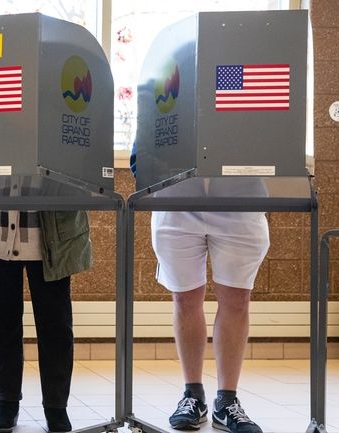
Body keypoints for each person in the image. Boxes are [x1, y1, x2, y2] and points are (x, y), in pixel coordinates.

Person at [131, 143, 268, 433]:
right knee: (184, 298)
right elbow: (148, 122)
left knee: (237, 298)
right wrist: (145, 170)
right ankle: (193, 395)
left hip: (239, 191)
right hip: (176, 192)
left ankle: (227, 402)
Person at [0, 176, 92, 433]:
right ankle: (6, 401)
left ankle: (56, 406)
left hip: (52, 237)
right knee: (2, 325)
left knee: (56, 327)